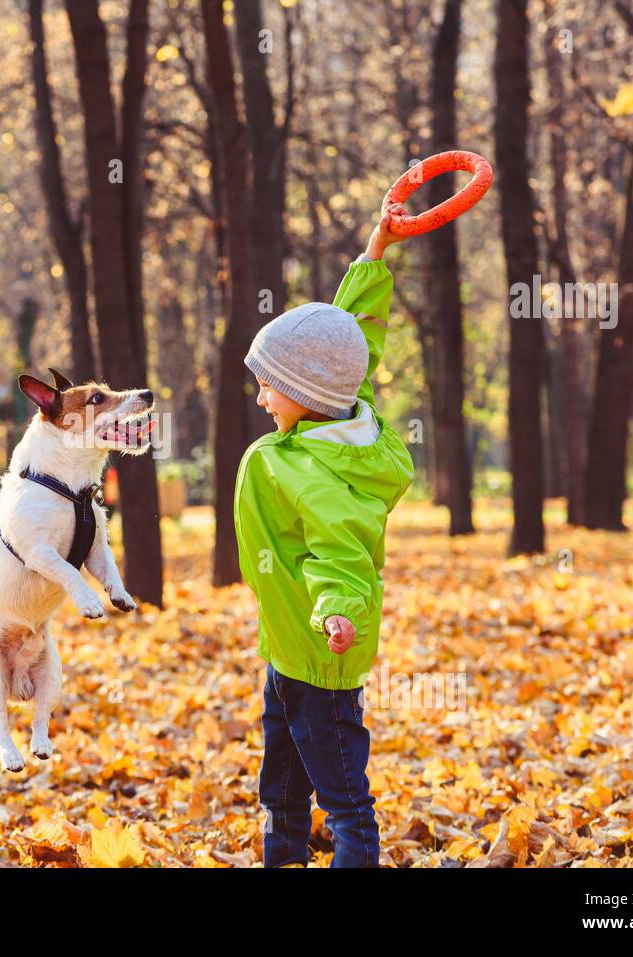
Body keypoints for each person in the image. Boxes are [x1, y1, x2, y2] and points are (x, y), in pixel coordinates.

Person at [233, 204, 415, 867]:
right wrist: (378, 249)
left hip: (322, 652)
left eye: (268, 387)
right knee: (280, 782)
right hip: (286, 649)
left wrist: (338, 609)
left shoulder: (322, 469)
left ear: (305, 391)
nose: (261, 399)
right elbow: (351, 333)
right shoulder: (334, 410)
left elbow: (340, 552)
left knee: (343, 798)